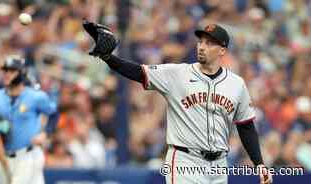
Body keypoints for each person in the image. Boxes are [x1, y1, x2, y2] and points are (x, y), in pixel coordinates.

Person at [82, 21, 273, 184]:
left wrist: (259, 164)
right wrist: (108, 58)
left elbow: (246, 127)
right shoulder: (178, 73)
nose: (202, 46)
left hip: (219, 165)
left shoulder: (236, 84)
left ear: (222, 49)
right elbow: (138, 72)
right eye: (201, 41)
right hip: (184, 160)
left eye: (209, 43)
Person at [0, 55, 59, 184]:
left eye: (12, 71)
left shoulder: (35, 96)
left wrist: (45, 134)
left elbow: (53, 114)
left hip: (27, 154)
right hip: (4, 156)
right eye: (5, 70)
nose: (7, 74)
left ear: (22, 73)